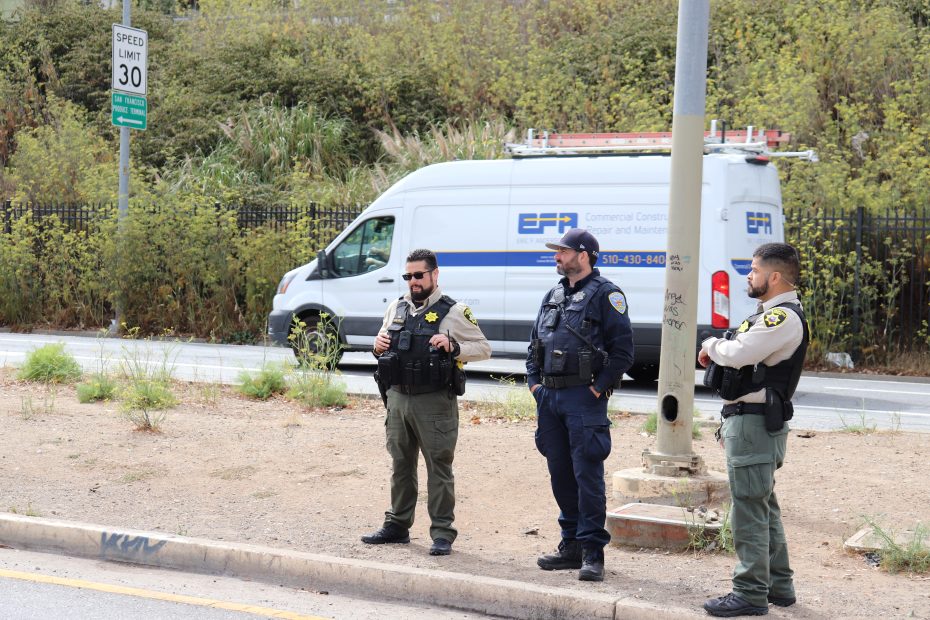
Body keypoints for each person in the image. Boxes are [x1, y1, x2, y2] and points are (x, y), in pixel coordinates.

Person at [698, 242, 809, 617]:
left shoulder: (783, 318)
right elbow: (743, 349)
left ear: (774, 276)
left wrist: (711, 345)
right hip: (755, 422)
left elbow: (740, 353)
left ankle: (749, 593)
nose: (748, 275)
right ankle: (779, 586)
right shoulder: (771, 315)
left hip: (754, 424)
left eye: (754, 269)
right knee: (764, 506)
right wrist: (723, 347)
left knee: (748, 510)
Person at [363, 248, 491, 556]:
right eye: (408, 276)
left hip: (434, 402)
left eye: (419, 275)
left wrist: (453, 345)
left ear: (434, 274)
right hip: (398, 398)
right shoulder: (396, 307)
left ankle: (442, 532)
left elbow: (484, 348)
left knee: (439, 467)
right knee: (400, 464)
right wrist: (376, 346)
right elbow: (383, 344)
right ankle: (397, 525)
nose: (413, 282)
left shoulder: (454, 311)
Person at [526, 228, 634, 582]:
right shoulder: (553, 293)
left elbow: (623, 352)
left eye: (562, 251)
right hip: (550, 398)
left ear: (583, 255)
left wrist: (598, 389)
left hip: (583, 400)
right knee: (560, 474)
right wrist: (535, 385)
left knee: (587, 475)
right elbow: (534, 346)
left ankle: (592, 552)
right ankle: (569, 545)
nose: (557, 256)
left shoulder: (608, 295)